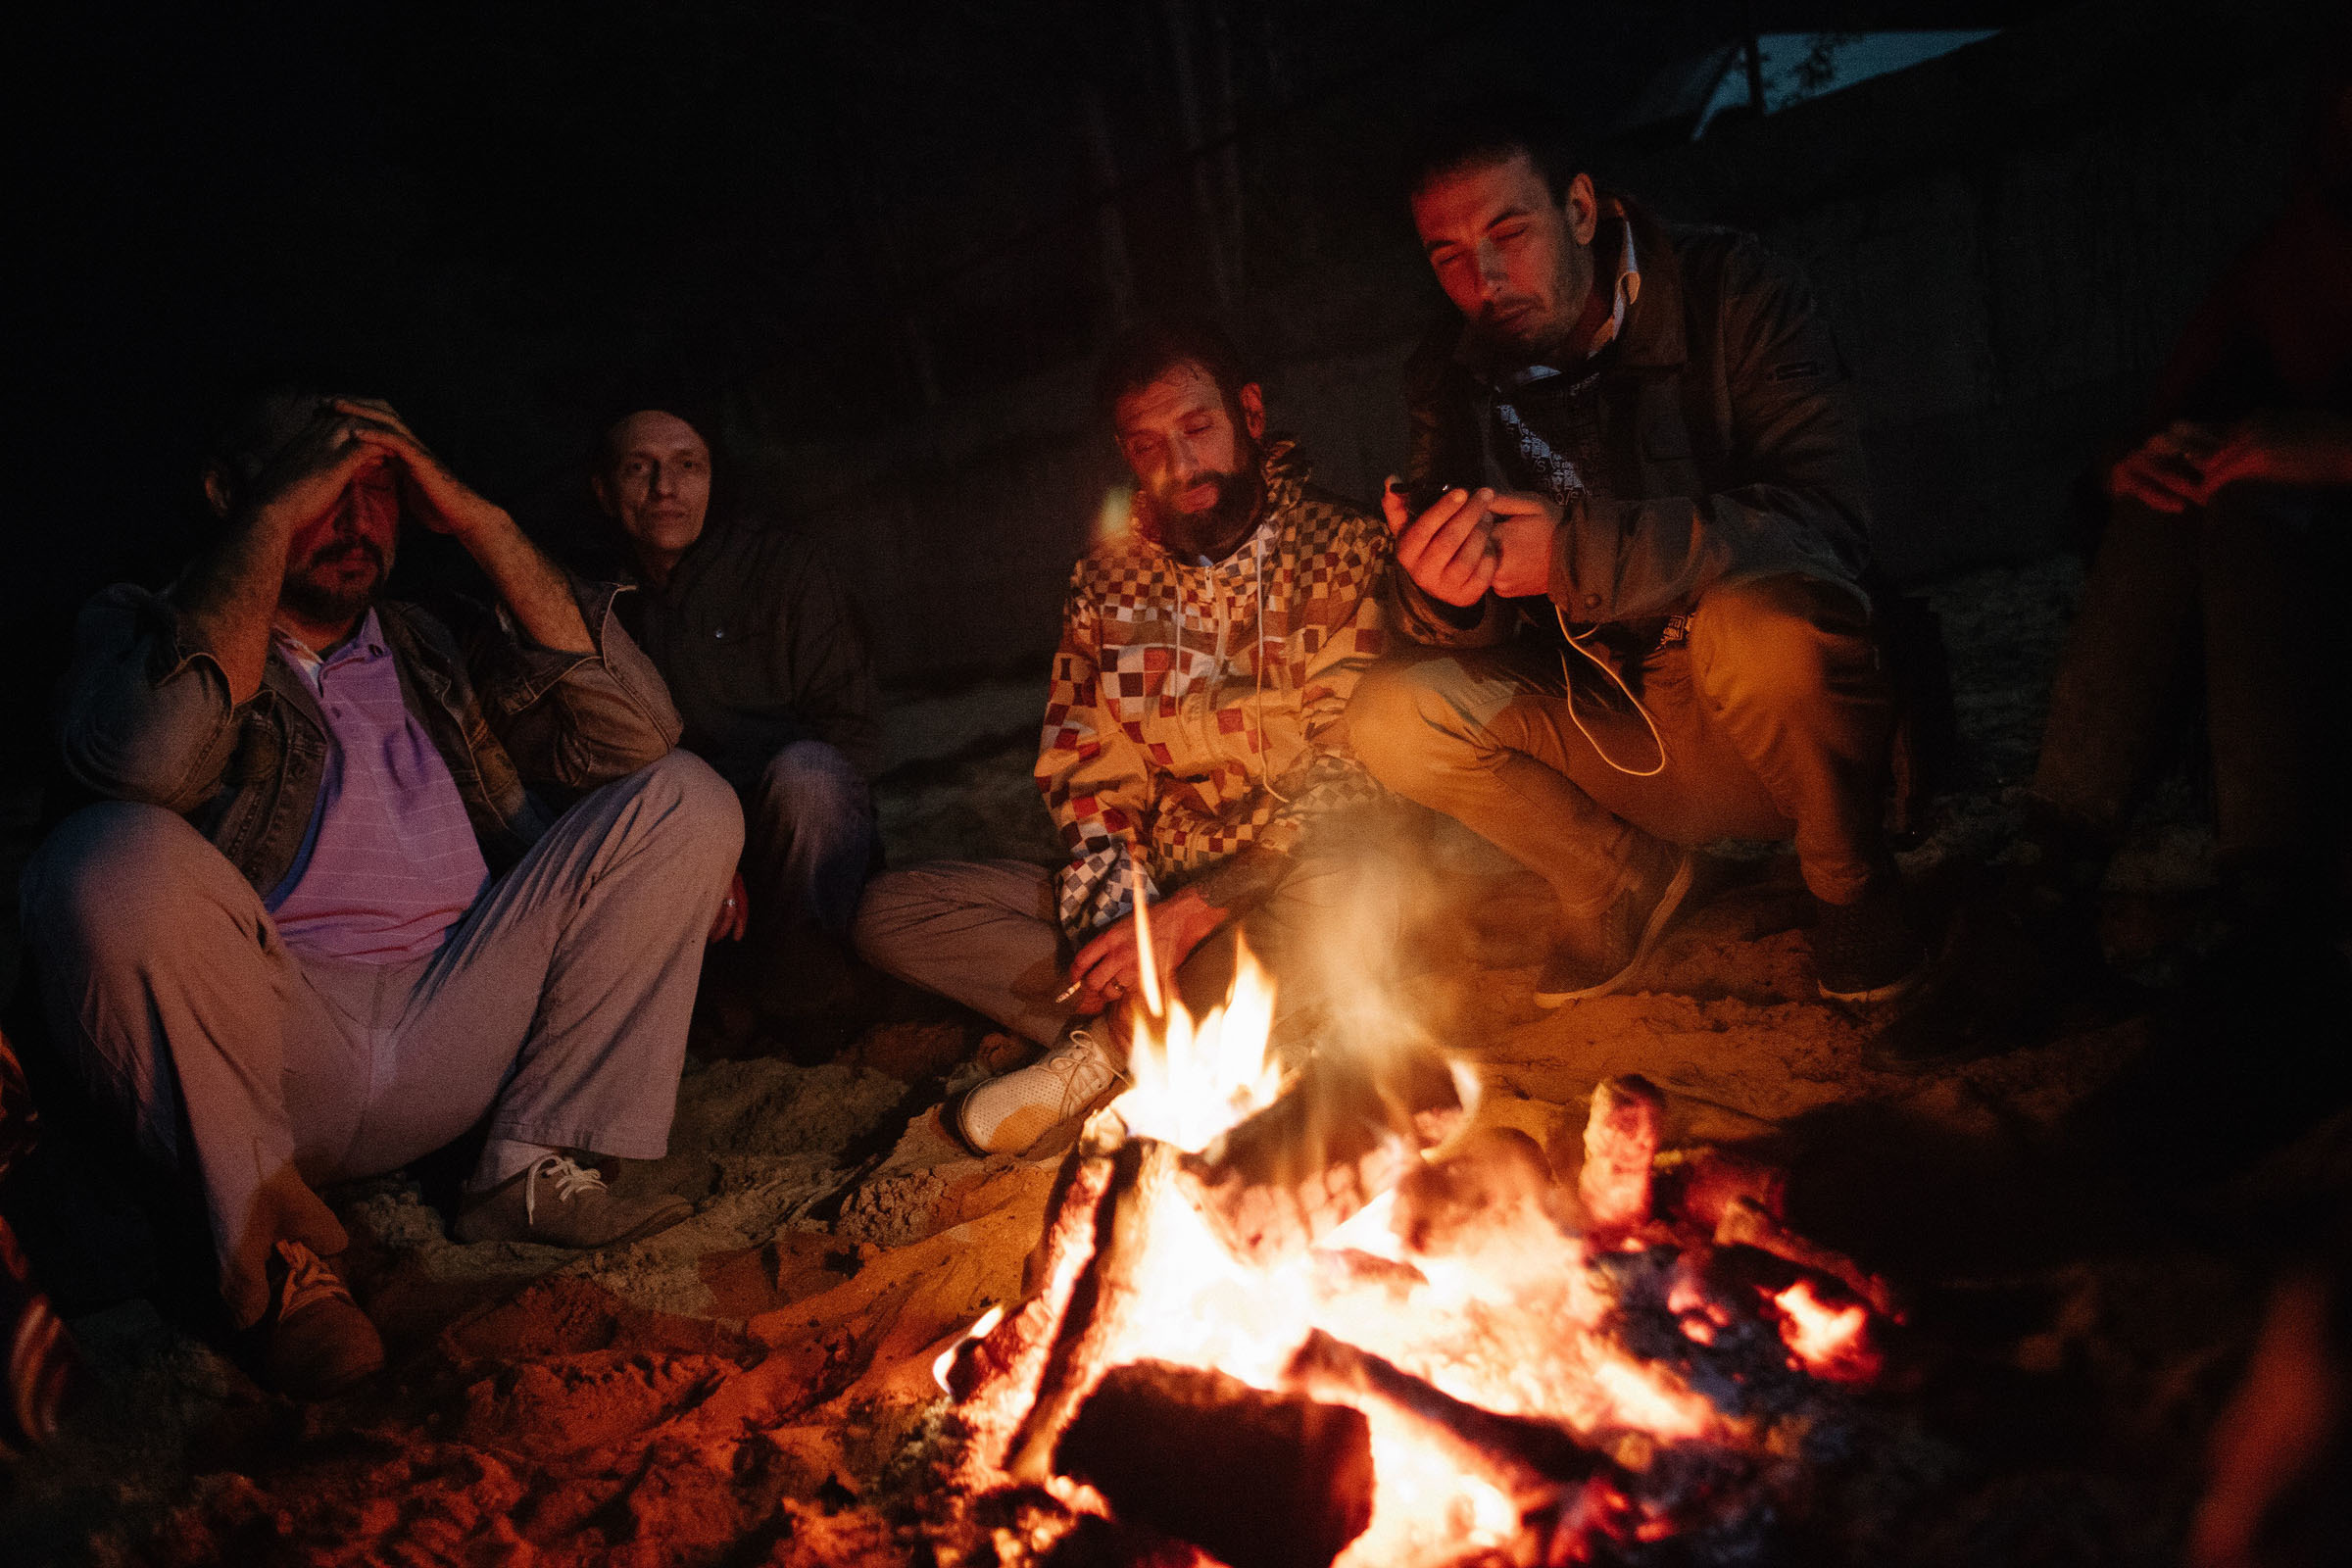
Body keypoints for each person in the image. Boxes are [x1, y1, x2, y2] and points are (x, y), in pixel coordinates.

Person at [18, 386, 742, 1397]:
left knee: (685, 799)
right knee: (104, 857)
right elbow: (139, 767)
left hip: (459, 1016)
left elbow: (635, 735)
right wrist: (269, 527)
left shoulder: (434, 638)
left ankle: (527, 1169)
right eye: (318, 483)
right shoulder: (137, 625)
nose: (355, 518)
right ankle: (279, 1271)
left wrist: (480, 521)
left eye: (380, 491)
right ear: (230, 492)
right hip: (273, 1050)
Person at [1346, 105, 1923, 1006]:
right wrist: (1447, 594)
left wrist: (1575, 553)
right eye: (1447, 256)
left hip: (1772, 727)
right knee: (1388, 715)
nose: (1484, 278)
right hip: (1618, 731)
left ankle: (1848, 880)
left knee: (1765, 625)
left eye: (1509, 232)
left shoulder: (1735, 291)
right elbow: (1467, 617)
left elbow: (1827, 519)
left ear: (1580, 209)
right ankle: (1617, 878)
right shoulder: (1453, 373)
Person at [854, 319, 1394, 1155]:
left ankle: (1102, 1054)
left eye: (1197, 429)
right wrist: (1130, 919)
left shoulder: (1344, 547)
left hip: (1289, 876)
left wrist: (1197, 912)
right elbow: (1088, 774)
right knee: (893, 913)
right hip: (1162, 887)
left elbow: (1351, 777)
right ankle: (1176, 1020)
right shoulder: (1108, 580)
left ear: (1250, 414)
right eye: (1148, 445)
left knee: (1349, 882)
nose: (1179, 467)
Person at [591, 407, 882, 1042]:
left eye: (687, 466)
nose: (665, 488)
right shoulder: (594, 599)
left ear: (714, 478)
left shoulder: (784, 569)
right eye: (640, 469)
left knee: (811, 775)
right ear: (604, 491)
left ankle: (808, 989)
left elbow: (852, 733)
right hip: (680, 834)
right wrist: (705, 844)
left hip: (788, 834)